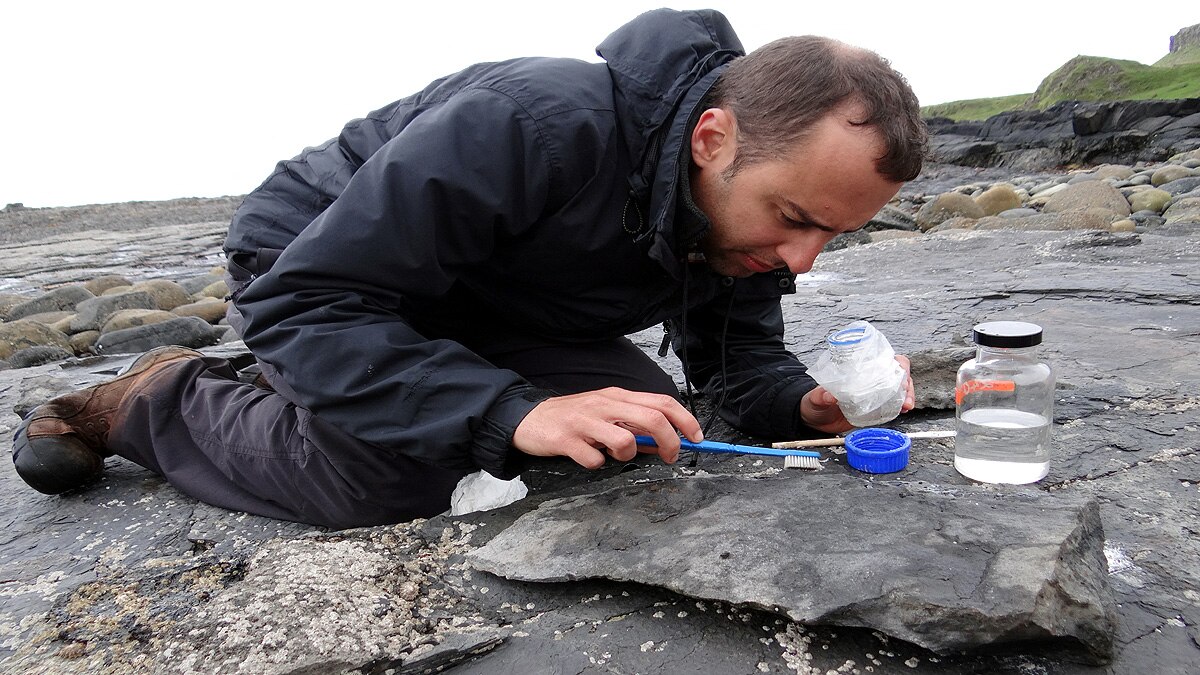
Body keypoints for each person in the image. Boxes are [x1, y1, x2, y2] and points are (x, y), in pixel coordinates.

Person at [12, 9, 927, 529]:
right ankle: (154, 398)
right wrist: (510, 409)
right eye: (797, 220)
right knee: (401, 477)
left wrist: (799, 406)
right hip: (320, 269)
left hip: (493, 303)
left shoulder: (741, 217)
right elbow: (310, 299)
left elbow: (735, 366)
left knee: (639, 436)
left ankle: (352, 386)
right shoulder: (534, 122)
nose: (800, 258)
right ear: (711, 137)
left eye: (830, 236)